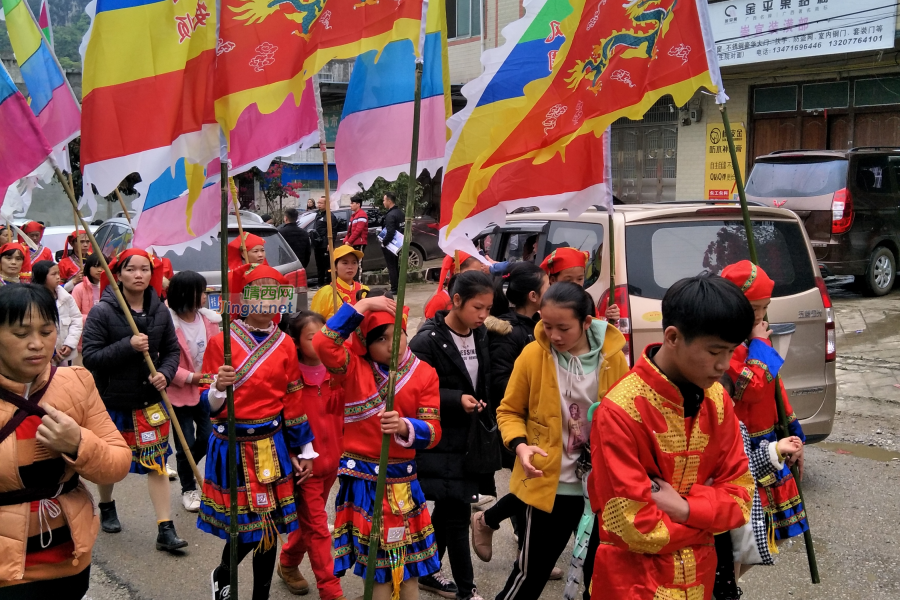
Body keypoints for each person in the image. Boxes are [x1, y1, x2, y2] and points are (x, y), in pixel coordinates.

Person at [588, 274, 756, 600]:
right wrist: (708, 520)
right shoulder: (620, 412)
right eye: (714, 351)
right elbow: (634, 527)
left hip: (701, 580)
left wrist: (683, 509)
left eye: (732, 351)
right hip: (632, 586)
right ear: (673, 336)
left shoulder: (717, 402)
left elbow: (741, 498)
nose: (724, 364)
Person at [482, 283, 628, 600]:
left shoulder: (613, 357)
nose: (554, 335)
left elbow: (628, 416)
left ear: (586, 322)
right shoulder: (534, 354)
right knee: (529, 576)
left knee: (597, 578)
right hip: (550, 485)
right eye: (547, 326)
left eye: (563, 328)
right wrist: (520, 445)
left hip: (600, 489)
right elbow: (508, 410)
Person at [0, 284, 131, 598]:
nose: (37, 344)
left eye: (47, 332)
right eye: (21, 334)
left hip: (70, 558)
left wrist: (78, 444)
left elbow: (118, 462)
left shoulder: (76, 382)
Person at [314, 294, 442, 600]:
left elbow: (434, 432)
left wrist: (405, 427)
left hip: (403, 484)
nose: (391, 343)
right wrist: (361, 308)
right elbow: (323, 344)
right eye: (380, 338)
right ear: (365, 345)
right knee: (377, 568)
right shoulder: (352, 367)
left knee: (408, 564)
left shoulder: (424, 373)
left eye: (396, 333)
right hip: (364, 483)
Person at [200, 264, 315, 600]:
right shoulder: (220, 342)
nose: (267, 302)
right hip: (233, 445)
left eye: (274, 294)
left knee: (270, 529)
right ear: (244, 298)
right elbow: (208, 403)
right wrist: (219, 387)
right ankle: (223, 576)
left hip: (272, 445)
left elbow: (293, 399)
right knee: (244, 531)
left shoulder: (286, 344)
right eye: (258, 293)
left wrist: (303, 449)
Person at [81, 249, 187, 551]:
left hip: (150, 401)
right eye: (131, 269)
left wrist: (165, 374)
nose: (138, 275)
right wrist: (127, 345)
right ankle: (106, 504)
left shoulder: (160, 310)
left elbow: (171, 351)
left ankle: (165, 528)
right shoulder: (103, 311)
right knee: (108, 464)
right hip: (113, 401)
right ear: (119, 274)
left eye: (144, 269)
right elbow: (91, 358)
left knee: (157, 464)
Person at [410, 271, 496, 600]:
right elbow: (415, 392)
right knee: (458, 514)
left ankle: (427, 571)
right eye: (478, 307)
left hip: (470, 440)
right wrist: (454, 399)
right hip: (440, 441)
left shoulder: (482, 334)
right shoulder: (427, 341)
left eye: (488, 308)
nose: (483, 315)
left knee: (448, 511)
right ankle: (466, 590)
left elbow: (485, 377)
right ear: (456, 301)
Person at [719, 264, 809, 546]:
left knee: (776, 534)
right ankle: (727, 587)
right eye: (753, 307)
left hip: (771, 440)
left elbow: (775, 389)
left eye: (764, 307)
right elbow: (752, 388)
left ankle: (729, 586)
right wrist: (760, 344)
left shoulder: (752, 343)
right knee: (744, 537)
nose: (759, 315)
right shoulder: (725, 347)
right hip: (744, 449)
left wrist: (795, 434)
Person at [476, 261, 549, 550]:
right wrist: (535, 396)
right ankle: (510, 534)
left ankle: (521, 538)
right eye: (547, 286)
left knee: (532, 480)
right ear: (533, 296)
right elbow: (502, 383)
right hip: (518, 420)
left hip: (537, 417)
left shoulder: (538, 327)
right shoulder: (508, 332)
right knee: (529, 480)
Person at [277, 311, 345, 600]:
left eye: (323, 334)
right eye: (310, 337)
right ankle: (331, 591)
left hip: (334, 464)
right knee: (319, 529)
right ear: (295, 342)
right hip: (305, 470)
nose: (318, 341)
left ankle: (288, 563)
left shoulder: (338, 372)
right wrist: (291, 455)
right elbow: (281, 425)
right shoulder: (288, 379)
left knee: (308, 526)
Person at [166, 271, 218, 513]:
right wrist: (190, 377)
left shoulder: (209, 320)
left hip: (207, 391)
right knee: (185, 442)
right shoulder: (167, 323)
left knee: (209, 438)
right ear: (186, 294)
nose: (206, 296)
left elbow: (217, 352)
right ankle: (189, 488)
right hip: (179, 394)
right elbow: (161, 361)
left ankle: (188, 468)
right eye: (202, 291)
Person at [540, 247, 620, 323]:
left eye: (580, 279)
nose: (576, 284)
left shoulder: (586, 302)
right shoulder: (546, 305)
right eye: (568, 280)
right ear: (553, 280)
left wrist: (608, 318)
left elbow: (595, 331)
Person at [32, 261, 83, 367]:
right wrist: (52, 350)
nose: (58, 277)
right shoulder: (33, 301)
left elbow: (76, 319)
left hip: (66, 353)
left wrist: (70, 344)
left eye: (58, 273)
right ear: (42, 276)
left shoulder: (66, 297)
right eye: (53, 274)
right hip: (44, 356)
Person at [310, 244, 368, 320]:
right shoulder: (325, 293)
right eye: (345, 263)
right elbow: (315, 323)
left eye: (354, 262)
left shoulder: (364, 290)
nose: (350, 267)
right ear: (335, 266)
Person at [424, 253, 483, 320]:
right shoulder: (440, 300)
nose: (477, 278)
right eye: (472, 273)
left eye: (479, 274)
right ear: (456, 272)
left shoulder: (476, 297)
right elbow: (430, 328)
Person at [312, 196, 339, 288]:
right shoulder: (318, 214)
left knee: (327, 265)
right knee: (319, 265)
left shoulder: (330, 216)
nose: (318, 205)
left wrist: (329, 243)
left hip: (325, 244)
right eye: (318, 203)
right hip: (317, 244)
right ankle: (320, 283)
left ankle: (329, 283)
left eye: (321, 203)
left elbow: (333, 231)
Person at [381, 192, 404, 294]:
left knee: (391, 267)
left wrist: (384, 242)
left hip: (391, 245)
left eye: (384, 200)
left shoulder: (390, 215)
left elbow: (390, 232)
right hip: (399, 243)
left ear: (389, 201)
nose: (383, 202)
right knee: (395, 265)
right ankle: (398, 286)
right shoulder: (400, 213)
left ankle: (394, 288)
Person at [343, 194, 369, 279]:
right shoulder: (353, 216)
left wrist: (349, 241)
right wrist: (346, 241)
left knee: (358, 263)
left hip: (359, 242)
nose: (350, 205)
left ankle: (359, 284)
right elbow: (349, 231)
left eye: (352, 203)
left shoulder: (362, 214)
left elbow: (358, 231)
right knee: (353, 263)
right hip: (353, 243)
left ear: (358, 204)